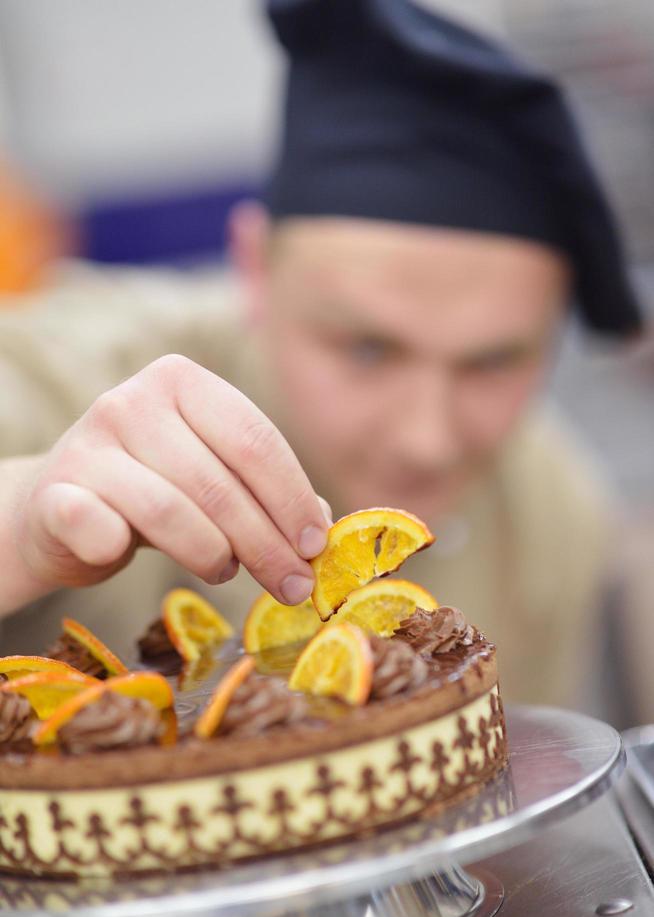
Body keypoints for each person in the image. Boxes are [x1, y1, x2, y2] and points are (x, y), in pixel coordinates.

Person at [0, 0, 645, 716]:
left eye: (492, 363)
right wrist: (23, 522)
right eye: (367, 348)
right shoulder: (68, 373)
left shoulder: (549, 520)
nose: (425, 438)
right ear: (253, 270)